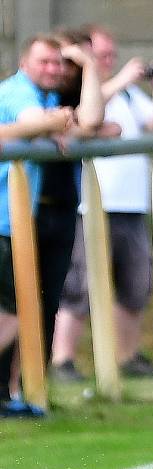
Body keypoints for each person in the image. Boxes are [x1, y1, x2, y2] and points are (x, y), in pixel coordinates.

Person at [51, 24, 153, 381]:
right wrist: (118, 78)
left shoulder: (131, 96)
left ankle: (127, 356)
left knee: (135, 285)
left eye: (110, 56)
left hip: (132, 206)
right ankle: (63, 359)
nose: (107, 61)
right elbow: (90, 110)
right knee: (80, 286)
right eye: (100, 55)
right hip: (90, 206)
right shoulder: (84, 91)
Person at [0, 33, 103, 417]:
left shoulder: (44, 97)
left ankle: (15, 394)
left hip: (16, 220)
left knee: (21, 308)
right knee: (14, 310)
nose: (52, 69)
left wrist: (57, 123)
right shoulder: (16, 93)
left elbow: (88, 124)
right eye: (43, 61)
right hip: (7, 218)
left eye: (57, 63)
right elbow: (34, 122)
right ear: (24, 62)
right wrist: (49, 124)